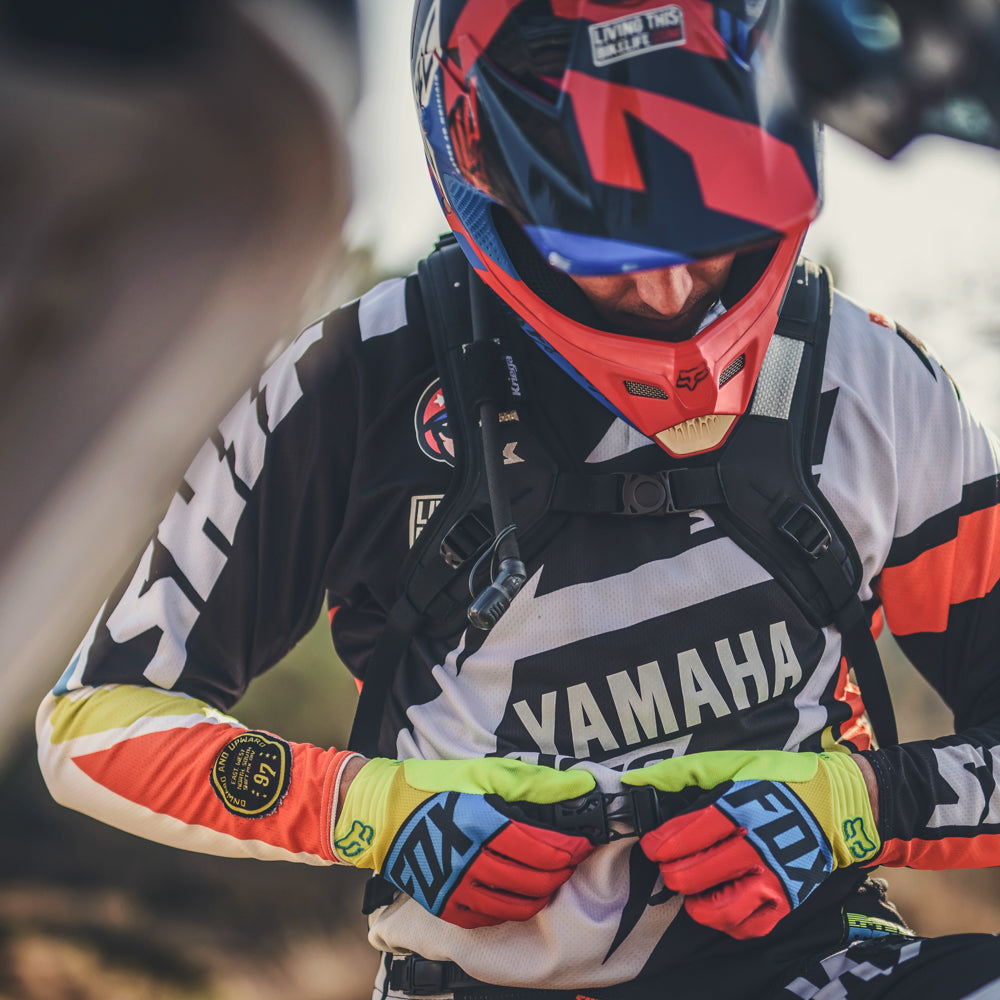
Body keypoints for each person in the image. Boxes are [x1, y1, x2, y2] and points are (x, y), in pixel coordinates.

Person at [35, 2, 1000, 998]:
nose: (671, 290)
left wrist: (857, 804)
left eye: (714, 216)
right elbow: (91, 724)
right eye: (606, 238)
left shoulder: (874, 380)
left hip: (816, 965)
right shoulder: (354, 381)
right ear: (490, 176)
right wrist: (371, 810)